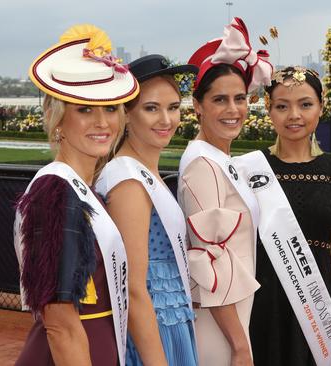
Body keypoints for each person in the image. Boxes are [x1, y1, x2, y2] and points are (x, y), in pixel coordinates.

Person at [13, 24, 139, 366]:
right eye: (85, 109)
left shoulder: (82, 189)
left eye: (111, 108)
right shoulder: (56, 193)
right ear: (57, 119)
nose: (102, 122)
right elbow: (61, 324)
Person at [177, 17, 272, 366]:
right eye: (220, 100)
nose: (233, 110)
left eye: (240, 98)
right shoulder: (202, 165)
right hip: (219, 326)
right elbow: (207, 261)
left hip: (231, 313)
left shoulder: (219, 158)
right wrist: (239, 346)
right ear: (198, 105)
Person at [95, 54, 199, 366]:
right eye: (151, 108)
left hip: (171, 320)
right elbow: (134, 288)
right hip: (153, 333)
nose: (166, 120)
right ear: (126, 115)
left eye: (173, 107)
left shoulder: (145, 173)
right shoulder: (127, 180)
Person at [247, 66, 331, 366]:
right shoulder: (250, 169)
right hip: (261, 304)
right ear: (269, 111)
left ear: (321, 108)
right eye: (282, 106)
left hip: (318, 309)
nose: (294, 114)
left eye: (305, 104)